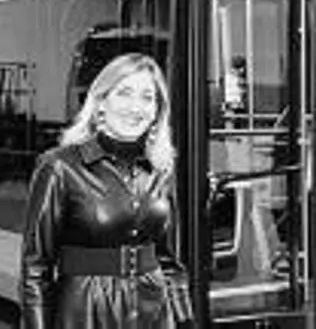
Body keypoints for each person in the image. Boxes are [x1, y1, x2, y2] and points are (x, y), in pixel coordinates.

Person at [20, 53, 193, 328]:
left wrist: (185, 320)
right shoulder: (59, 167)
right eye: (124, 93)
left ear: (157, 112)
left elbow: (170, 263)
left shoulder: (161, 170)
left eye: (147, 98)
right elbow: (35, 269)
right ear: (101, 103)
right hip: (86, 312)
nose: (135, 107)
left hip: (155, 313)